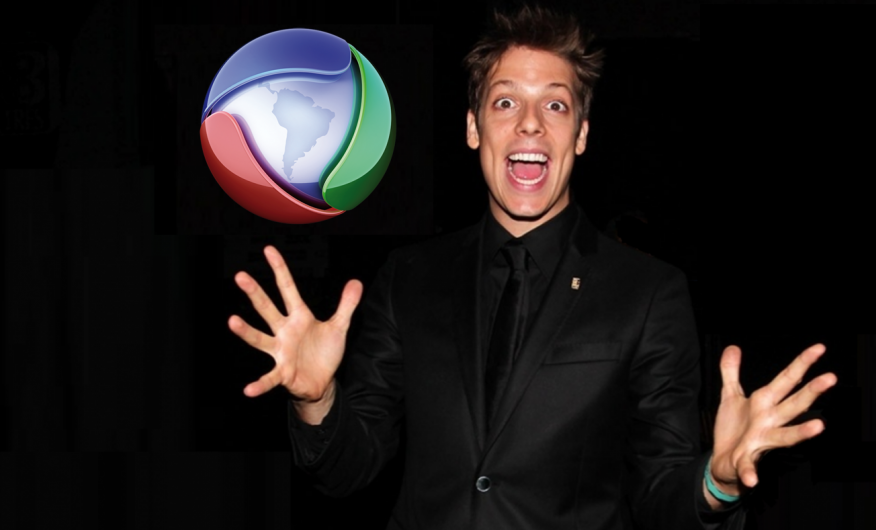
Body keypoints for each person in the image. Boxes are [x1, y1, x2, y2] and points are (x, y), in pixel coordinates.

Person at [228, 5, 837, 529]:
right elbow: (347, 470)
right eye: (505, 101)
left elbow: (661, 497)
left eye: (555, 104)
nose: (529, 123)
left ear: (581, 135)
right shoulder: (409, 276)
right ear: (473, 128)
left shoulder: (649, 293)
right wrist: (317, 400)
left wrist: (717, 480)